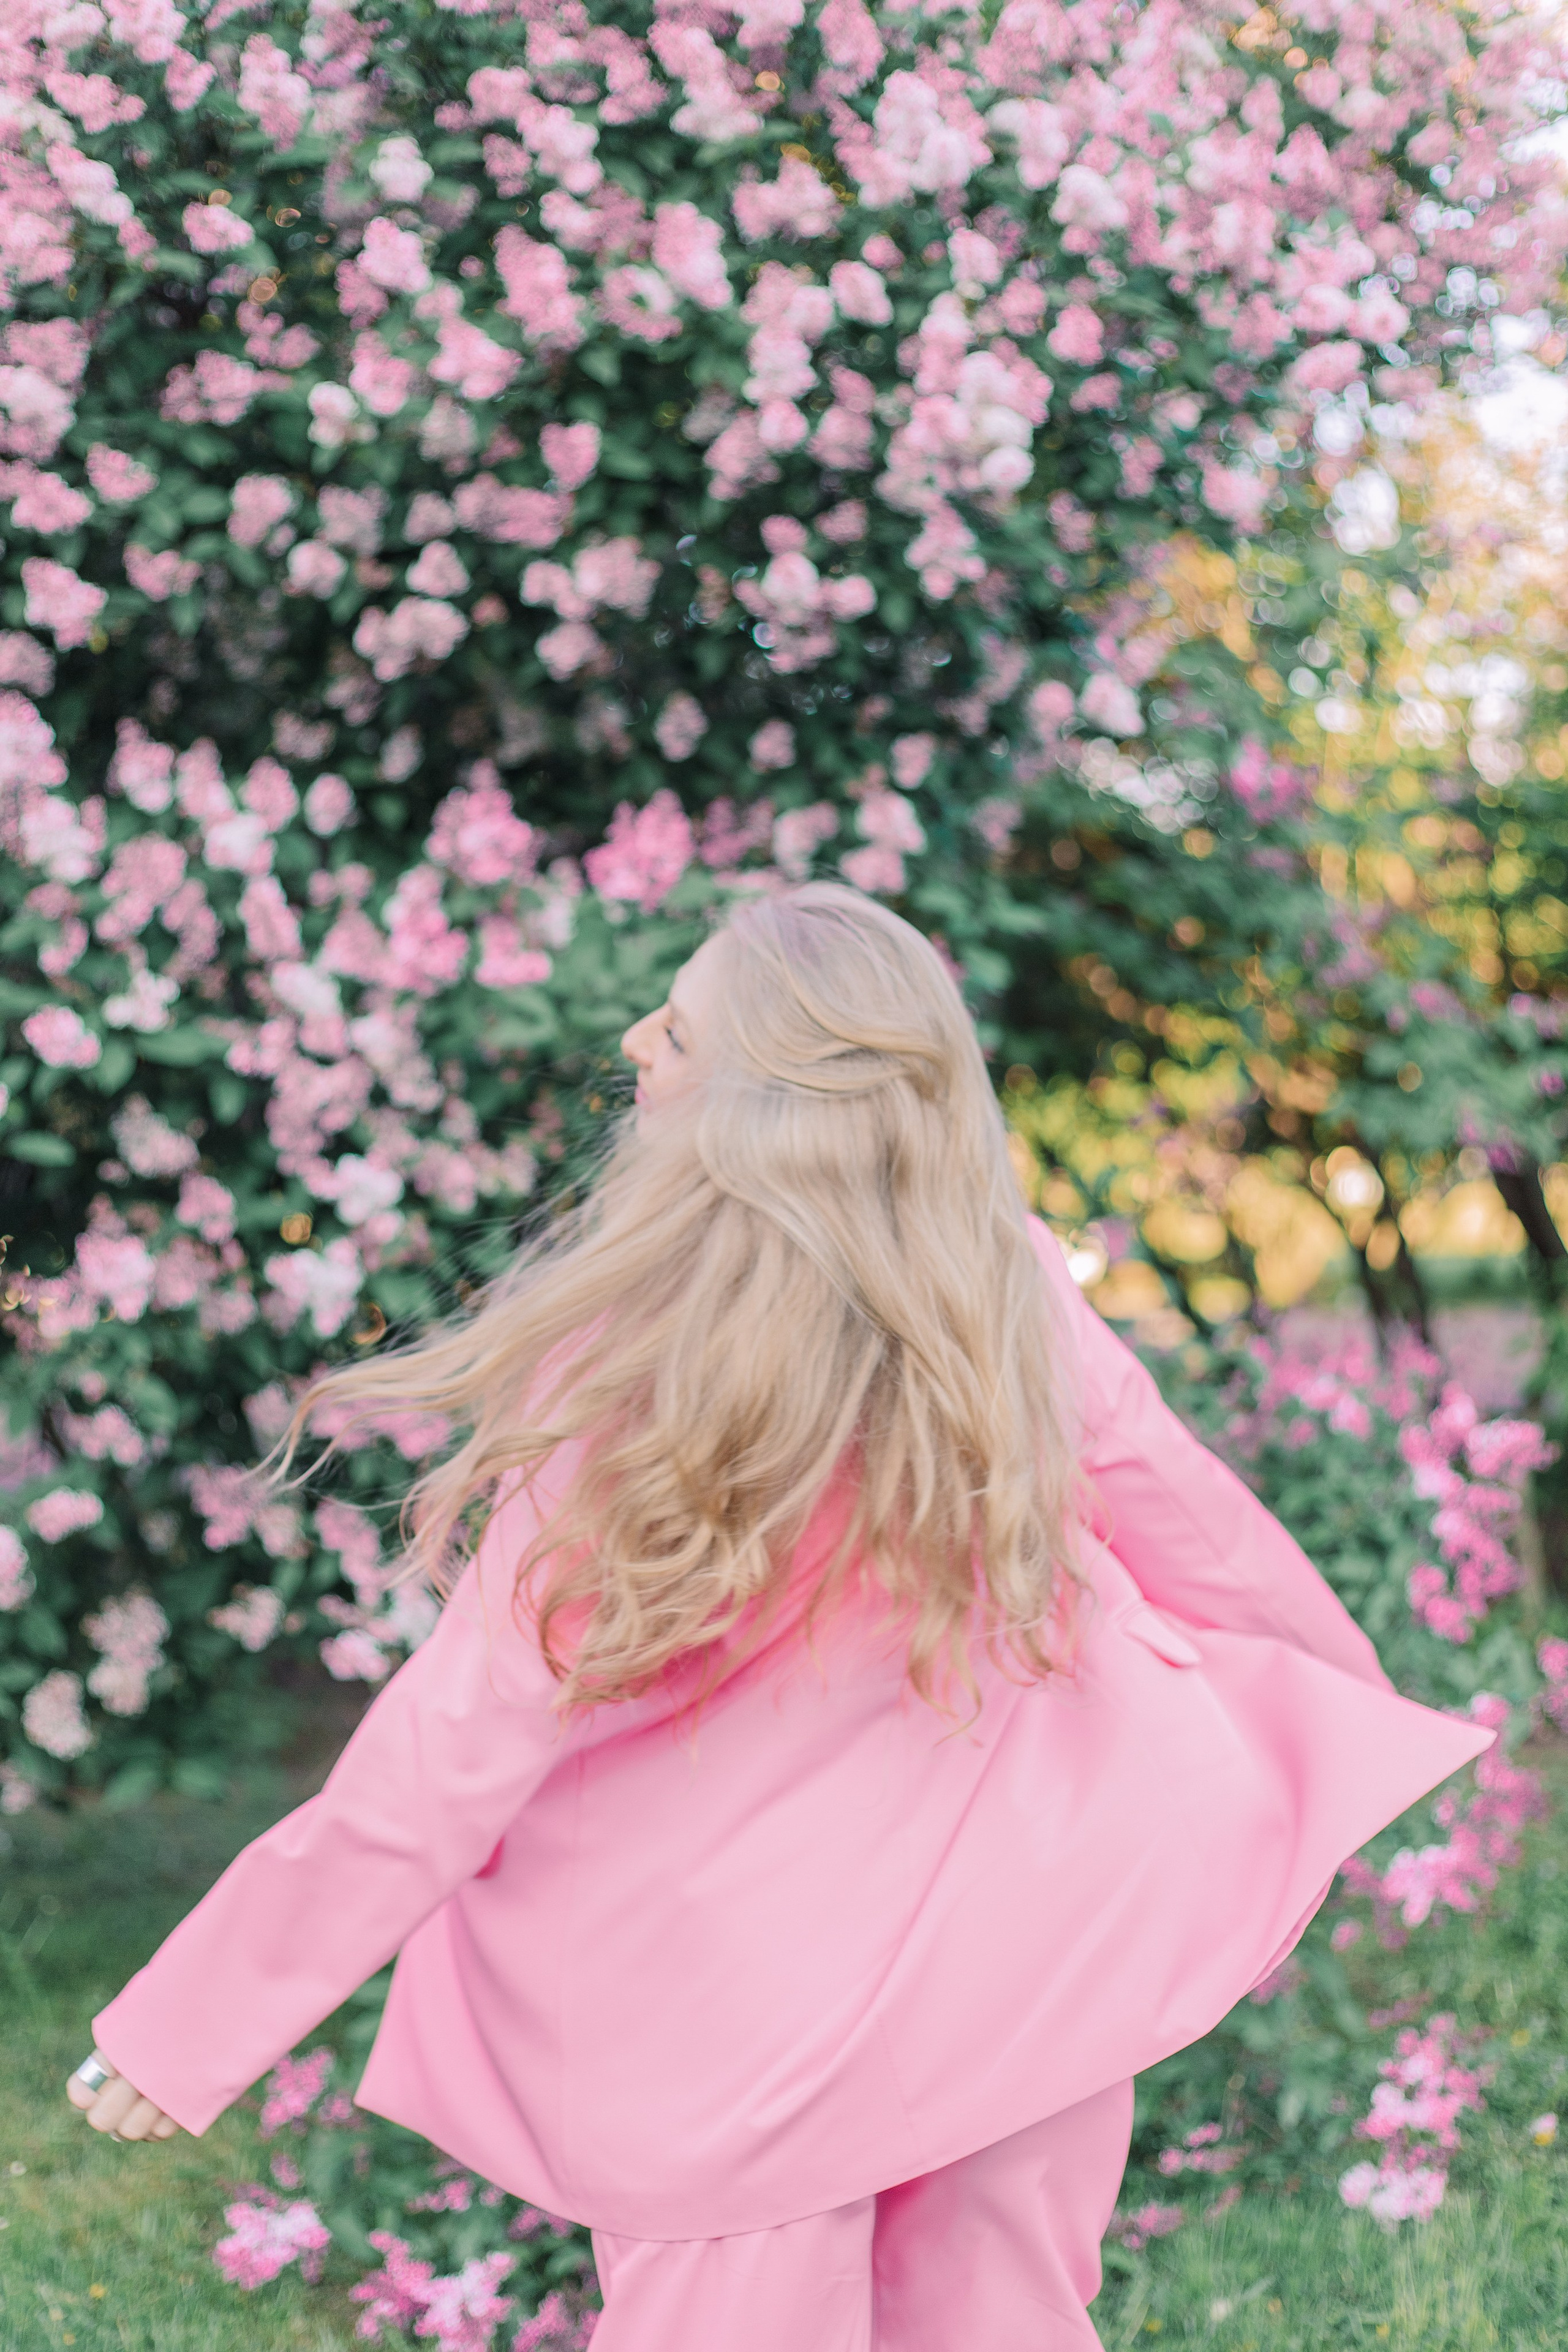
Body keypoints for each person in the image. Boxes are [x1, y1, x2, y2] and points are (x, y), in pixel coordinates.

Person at [69, 883, 1490, 2349]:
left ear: (760, 1101)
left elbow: (461, 1733)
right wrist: (1335, 1727)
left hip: (742, 2026)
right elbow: (1182, 1509)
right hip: (1013, 1944)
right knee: (997, 2316)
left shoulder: (643, 1377)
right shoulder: (993, 1295)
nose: (635, 1038)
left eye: (674, 1029)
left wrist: (195, 2022)